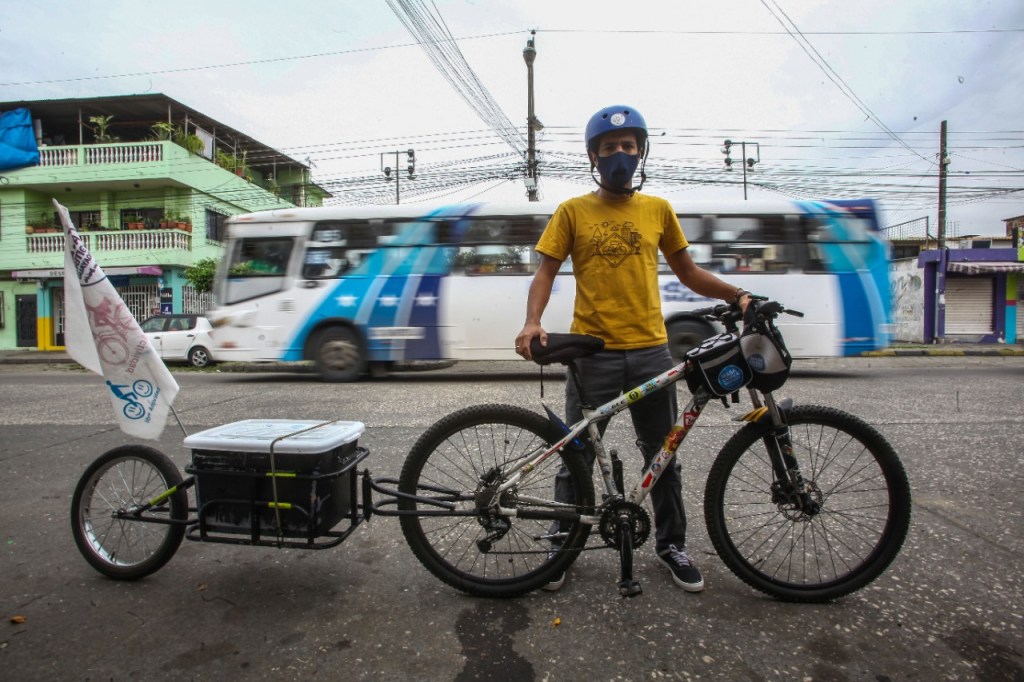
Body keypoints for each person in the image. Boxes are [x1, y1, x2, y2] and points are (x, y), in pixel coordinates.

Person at [514, 105, 752, 593]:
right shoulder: (572, 211)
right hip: (591, 354)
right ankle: (562, 542)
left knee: (662, 454)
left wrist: (738, 295)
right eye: (609, 148)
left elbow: (688, 273)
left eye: (628, 146)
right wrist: (533, 320)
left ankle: (671, 545)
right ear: (593, 158)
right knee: (575, 453)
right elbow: (545, 272)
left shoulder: (658, 209)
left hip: (649, 351)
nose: (619, 154)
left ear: (641, 151)